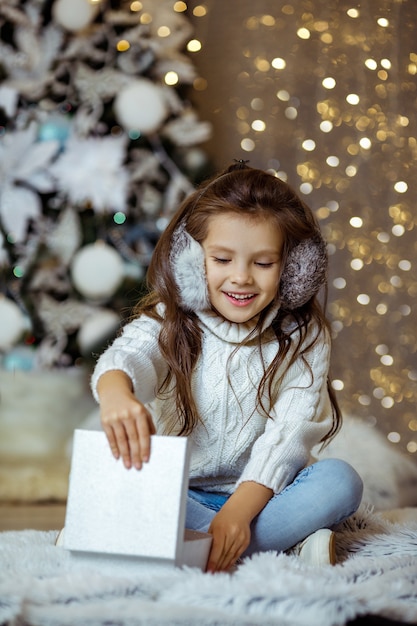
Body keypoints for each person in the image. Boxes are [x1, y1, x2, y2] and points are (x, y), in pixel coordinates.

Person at [91, 161, 363, 573]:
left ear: (294, 270)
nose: (241, 278)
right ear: (191, 260)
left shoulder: (305, 335)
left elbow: (287, 437)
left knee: (341, 481)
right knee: (114, 479)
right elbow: (129, 355)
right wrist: (115, 392)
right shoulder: (172, 318)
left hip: (265, 495)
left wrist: (237, 514)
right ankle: (280, 545)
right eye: (221, 258)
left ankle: (187, 547)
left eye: (263, 263)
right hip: (181, 496)